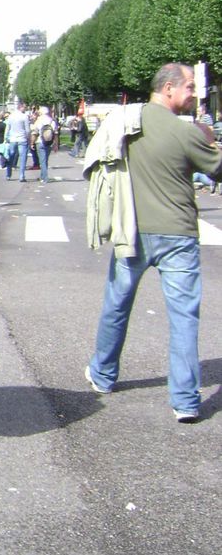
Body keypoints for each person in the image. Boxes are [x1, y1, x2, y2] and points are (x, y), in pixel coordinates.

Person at [83, 63, 222, 423]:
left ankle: (103, 374)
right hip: (179, 233)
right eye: (190, 87)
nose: (194, 93)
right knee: (184, 318)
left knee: (117, 304)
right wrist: (209, 138)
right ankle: (186, 401)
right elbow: (217, 167)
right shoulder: (186, 132)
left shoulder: (127, 122)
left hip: (132, 228)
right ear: (169, 89)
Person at [4, 102, 30, 182]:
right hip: (22, 139)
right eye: (24, 107)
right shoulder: (24, 117)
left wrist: (6, 137)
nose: (25, 109)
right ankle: (21, 176)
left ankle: (8, 174)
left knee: (11, 156)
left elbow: (7, 128)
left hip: (13, 139)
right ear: (21, 107)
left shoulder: (11, 116)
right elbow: (27, 130)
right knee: (23, 158)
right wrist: (28, 138)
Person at [33, 105, 57, 183]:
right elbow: (56, 133)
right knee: (45, 160)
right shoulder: (52, 121)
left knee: (42, 161)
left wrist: (32, 142)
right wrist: (55, 144)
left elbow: (35, 132)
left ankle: (45, 178)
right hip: (49, 142)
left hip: (40, 141)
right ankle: (42, 176)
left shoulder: (38, 120)